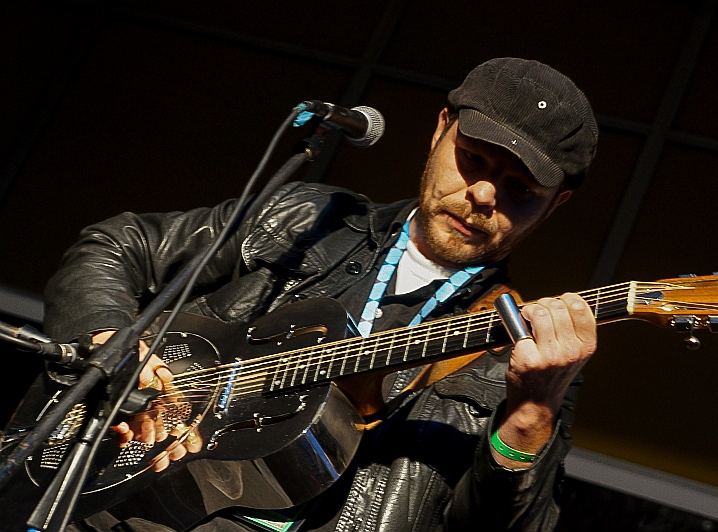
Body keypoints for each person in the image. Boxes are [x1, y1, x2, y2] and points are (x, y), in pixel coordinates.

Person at [38, 57, 599, 531]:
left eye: (519, 188)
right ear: (441, 128)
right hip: (108, 506)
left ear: (556, 205)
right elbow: (120, 245)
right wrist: (110, 340)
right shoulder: (308, 218)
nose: (483, 194)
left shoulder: (529, 356)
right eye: (473, 159)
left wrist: (530, 416)